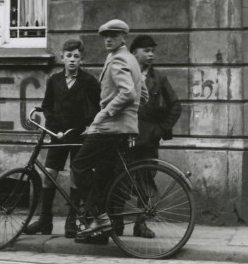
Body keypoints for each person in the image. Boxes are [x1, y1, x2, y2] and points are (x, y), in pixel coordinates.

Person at [71, 19, 143, 245]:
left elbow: (128, 93)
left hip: (111, 127)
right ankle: (100, 232)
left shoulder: (119, 59)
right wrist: (132, 113)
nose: (108, 39)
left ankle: (100, 217)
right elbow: (143, 94)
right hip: (122, 127)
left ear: (124, 38)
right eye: (105, 36)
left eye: (114, 35)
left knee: (79, 165)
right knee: (102, 176)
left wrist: (102, 116)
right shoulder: (130, 59)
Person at [24, 39, 101, 238]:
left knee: (76, 178)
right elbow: (47, 105)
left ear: (82, 59)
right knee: (49, 176)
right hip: (58, 135)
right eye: (69, 56)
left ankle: (71, 220)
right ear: (62, 58)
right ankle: (44, 220)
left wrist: (88, 126)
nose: (72, 60)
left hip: (78, 135)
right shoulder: (54, 80)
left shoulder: (89, 81)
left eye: (76, 56)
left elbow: (98, 108)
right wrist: (52, 126)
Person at [128, 33, 182, 239]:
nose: (151, 55)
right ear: (134, 53)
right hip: (126, 135)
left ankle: (140, 224)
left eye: (153, 51)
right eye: (146, 51)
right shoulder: (126, 74)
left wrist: (161, 129)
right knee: (120, 177)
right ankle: (115, 222)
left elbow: (175, 106)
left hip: (148, 139)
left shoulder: (158, 78)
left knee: (146, 179)